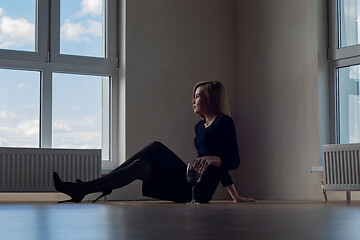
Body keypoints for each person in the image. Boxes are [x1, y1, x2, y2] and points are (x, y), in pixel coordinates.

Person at [53, 81, 255, 203]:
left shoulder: (224, 122)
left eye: (197, 96)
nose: (192, 101)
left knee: (156, 148)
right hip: (188, 179)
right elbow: (220, 167)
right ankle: (89, 188)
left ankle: (90, 187)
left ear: (210, 99)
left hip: (199, 191)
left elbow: (232, 161)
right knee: (141, 165)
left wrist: (212, 160)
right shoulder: (199, 127)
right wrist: (234, 195)